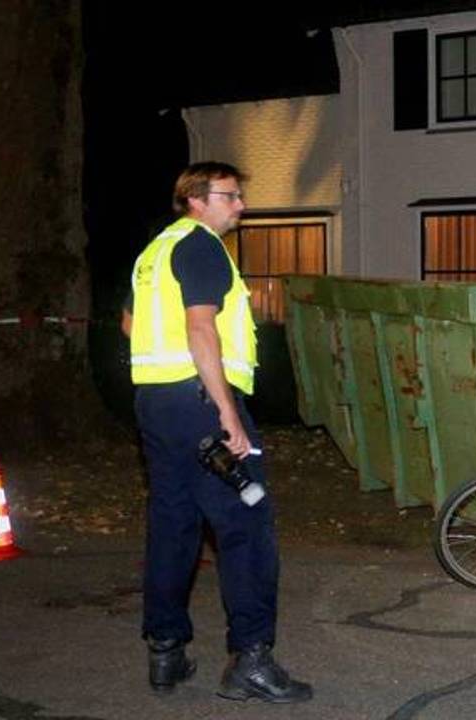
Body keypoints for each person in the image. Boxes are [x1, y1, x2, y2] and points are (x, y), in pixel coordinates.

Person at [121, 162, 312, 703]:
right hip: (204, 404)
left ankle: (166, 651)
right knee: (246, 525)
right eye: (231, 197)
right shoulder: (203, 246)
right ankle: (251, 659)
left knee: (173, 523)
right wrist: (227, 412)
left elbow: (131, 324)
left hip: (158, 406)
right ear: (197, 200)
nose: (241, 207)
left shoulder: (155, 251)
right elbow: (200, 326)